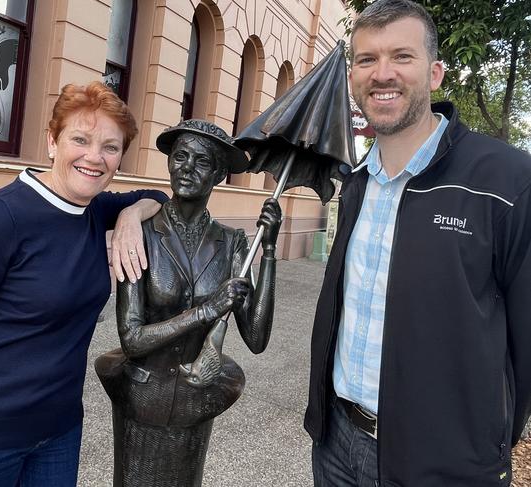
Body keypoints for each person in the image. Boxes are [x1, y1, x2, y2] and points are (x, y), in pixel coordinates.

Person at [304, 1, 531, 486]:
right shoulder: (357, 183)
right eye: (367, 60)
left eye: (401, 56)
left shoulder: (507, 181)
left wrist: (486, 443)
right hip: (337, 446)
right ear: (352, 77)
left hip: (442, 462)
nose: (382, 73)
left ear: (434, 73)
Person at [0, 81, 168, 487]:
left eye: (110, 147)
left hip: (59, 435)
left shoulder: (96, 209)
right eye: (79, 139)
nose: (94, 157)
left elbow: (159, 197)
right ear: (52, 142)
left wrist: (131, 215)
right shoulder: (0, 220)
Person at [95, 119, 282, 486]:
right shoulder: (141, 234)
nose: (186, 168)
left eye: (201, 162)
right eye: (180, 157)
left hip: (196, 401)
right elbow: (131, 340)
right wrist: (207, 310)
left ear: (218, 174)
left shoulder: (232, 244)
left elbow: (257, 339)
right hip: (142, 399)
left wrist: (271, 249)